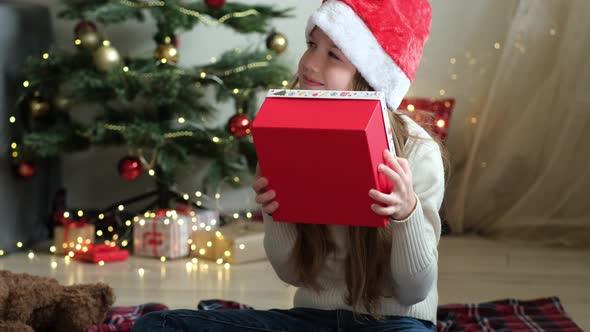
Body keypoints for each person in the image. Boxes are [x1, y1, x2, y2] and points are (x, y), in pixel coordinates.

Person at [132, 0, 444, 331]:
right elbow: (292, 274)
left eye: (333, 55)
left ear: (371, 76)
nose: (310, 63)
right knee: (158, 325)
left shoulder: (417, 152)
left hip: (393, 322)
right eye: (312, 45)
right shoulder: (290, 134)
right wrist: (274, 212)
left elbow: (414, 290)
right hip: (311, 320)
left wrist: (405, 214)